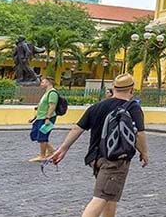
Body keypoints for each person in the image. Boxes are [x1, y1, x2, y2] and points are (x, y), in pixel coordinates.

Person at [49, 74, 149, 217]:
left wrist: (63, 148)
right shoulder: (133, 108)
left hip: (95, 158)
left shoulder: (97, 107)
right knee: (101, 197)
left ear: (113, 88)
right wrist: (144, 152)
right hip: (114, 160)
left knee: (110, 195)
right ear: (132, 90)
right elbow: (139, 134)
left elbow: (78, 128)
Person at [29, 76, 59, 162]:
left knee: (42, 136)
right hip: (40, 117)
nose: (41, 84)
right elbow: (42, 107)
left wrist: (47, 118)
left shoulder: (52, 93)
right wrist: (34, 118)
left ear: (48, 83)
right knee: (35, 134)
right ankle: (52, 151)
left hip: (46, 118)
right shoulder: (47, 92)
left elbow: (52, 106)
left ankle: (42, 156)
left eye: (43, 82)